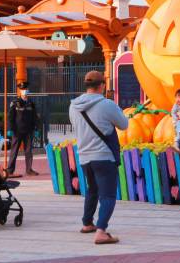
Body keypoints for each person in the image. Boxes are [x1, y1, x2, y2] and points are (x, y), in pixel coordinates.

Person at [69, 71, 128, 245]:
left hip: (85, 157)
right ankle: (101, 231)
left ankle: (87, 223)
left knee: (92, 190)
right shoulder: (107, 105)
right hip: (104, 156)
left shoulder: (73, 106)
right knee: (108, 195)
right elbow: (124, 125)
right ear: (102, 85)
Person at [6, 82, 39, 177]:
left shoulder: (31, 103)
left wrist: (36, 128)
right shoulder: (15, 103)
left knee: (29, 151)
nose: (24, 91)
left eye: (26, 89)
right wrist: (10, 129)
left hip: (28, 131)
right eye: (22, 90)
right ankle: (10, 170)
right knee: (14, 151)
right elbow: (11, 117)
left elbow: (34, 117)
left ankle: (29, 170)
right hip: (17, 131)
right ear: (20, 91)